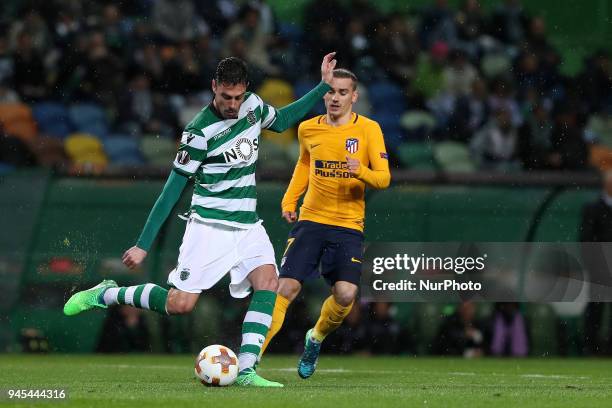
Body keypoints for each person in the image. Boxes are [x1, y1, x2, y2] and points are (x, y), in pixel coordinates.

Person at [63, 53, 338, 387]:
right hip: (208, 227)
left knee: (268, 283)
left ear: (245, 90)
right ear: (214, 88)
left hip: (247, 225)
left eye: (237, 97)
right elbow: (170, 192)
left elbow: (281, 120)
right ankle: (106, 294)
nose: (233, 105)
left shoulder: (252, 105)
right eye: (226, 97)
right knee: (180, 304)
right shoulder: (197, 133)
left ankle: (247, 369)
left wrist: (322, 86)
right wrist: (142, 245)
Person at [257, 68, 391, 378]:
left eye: (343, 92)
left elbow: (383, 179)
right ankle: (252, 360)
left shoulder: (369, 130)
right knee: (285, 288)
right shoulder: (308, 129)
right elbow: (304, 164)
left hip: (347, 225)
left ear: (353, 97)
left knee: (345, 294)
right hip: (311, 220)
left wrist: (362, 172)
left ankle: (315, 337)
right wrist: (290, 200)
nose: (335, 97)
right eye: (331, 91)